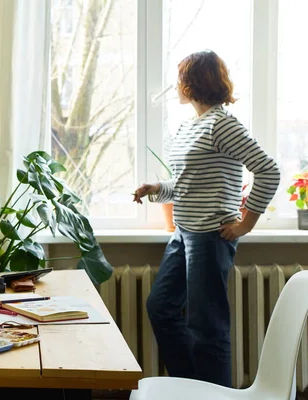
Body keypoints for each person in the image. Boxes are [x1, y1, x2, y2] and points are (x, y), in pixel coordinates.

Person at [133, 50, 280, 387]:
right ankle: (193, 388)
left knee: (207, 328)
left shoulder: (222, 123)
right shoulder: (189, 127)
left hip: (209, 237)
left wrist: (246, 223)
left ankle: (210, 395)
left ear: (192, 82)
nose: (176, 85)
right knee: (160, 307)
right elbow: (189, 184)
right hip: (184, 233)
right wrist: (158, 188)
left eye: (180, 77)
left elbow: (268, 171)